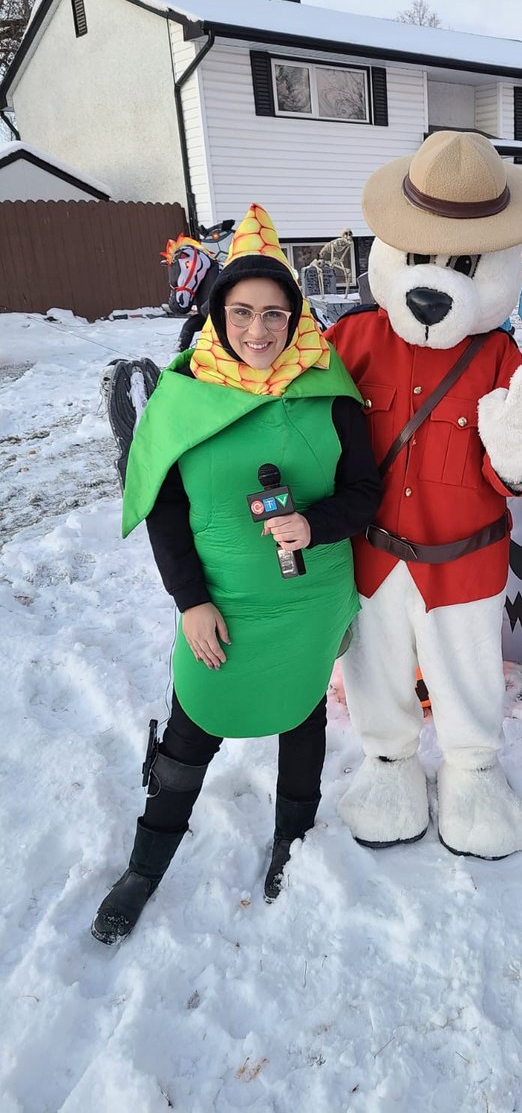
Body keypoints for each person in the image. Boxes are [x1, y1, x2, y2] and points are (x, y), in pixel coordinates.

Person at [91, 205, 381, 944]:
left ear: (295, 317)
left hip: (310, 595)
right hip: (223, 603)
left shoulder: (328, 391)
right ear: (218, 312)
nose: (259, 330)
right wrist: (189, 601)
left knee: (302, 712)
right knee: (194, 726)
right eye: (243, 311)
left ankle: (292, 836)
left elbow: (364, 493)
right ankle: (145, 865)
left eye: (275, 314)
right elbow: (162, 511)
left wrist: (316, 525)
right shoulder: (183, 398)